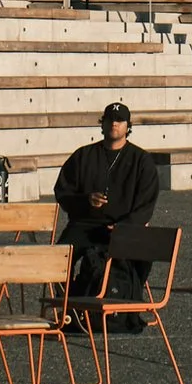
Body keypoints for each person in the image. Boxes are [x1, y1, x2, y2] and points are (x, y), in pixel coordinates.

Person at [54, 102, 160, 326]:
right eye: (109, 120)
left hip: (124, 228)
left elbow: (146, 202)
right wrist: (85, 201)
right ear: (101, 124)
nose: (114, 124)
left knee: (144, 253)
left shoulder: (141, 160)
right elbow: (62, 191)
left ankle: (129, 305)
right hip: (85, 224)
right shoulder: (83, 156)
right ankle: (69, 308)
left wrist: (127, 225)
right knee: (57, 259)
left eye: (120, 121)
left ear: (127, 126)